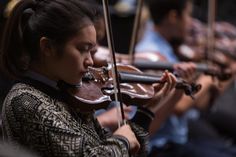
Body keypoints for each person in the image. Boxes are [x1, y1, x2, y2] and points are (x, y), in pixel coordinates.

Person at [0, 0, 177, 156]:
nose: (91, 61)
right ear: (47, 47)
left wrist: (146, 112)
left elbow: (122, 150)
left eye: (91, 51)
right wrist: (121, 141)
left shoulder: (69, 93)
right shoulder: (25, 101)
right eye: (82, 49)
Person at [136, 0, 236, 157]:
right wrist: (207, 79)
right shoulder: (153, 55)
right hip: (160, 146)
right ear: (173, 17)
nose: (191, 23)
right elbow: (178, 108)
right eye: (188, 15)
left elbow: (198, 104)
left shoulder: (166, 47)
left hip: (177, 136)